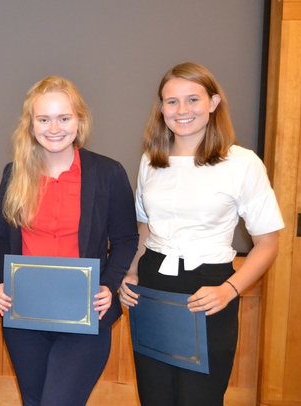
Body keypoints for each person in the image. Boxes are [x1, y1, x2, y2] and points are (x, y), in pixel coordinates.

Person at [119, 62, 284, 405]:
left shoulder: (241, 163)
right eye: (172, 101)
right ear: (161, 108)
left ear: (213, 103)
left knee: (200, 398)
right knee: (154, 397)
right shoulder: (152, 160)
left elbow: (268, 243)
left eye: (193, 99)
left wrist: (230, 290)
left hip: (209, 290)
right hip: (153, 287)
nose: (182, 110)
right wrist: (131, 272)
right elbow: (146, 227)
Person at [0, 76, 139, 406]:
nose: (54, 128)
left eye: (64, 118)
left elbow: (127, 239)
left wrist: (108, 285)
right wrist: (3, 284)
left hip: (85, 314)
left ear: (80, 120)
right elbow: (3, 240)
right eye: (43, 119)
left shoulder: (108, 173)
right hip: (24, 315)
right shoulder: (13, 174)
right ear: (31, 124)